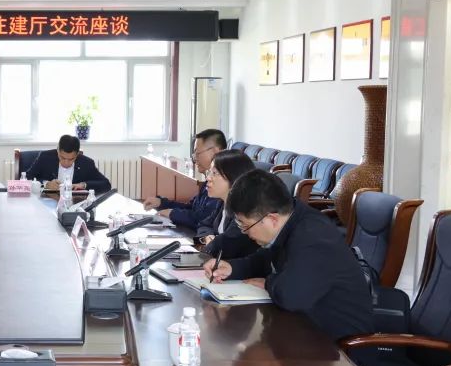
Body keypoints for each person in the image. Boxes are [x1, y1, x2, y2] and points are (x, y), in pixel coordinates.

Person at [203, 170, 374, 341]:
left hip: (338, 344)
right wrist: (232, 268)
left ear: (272, 219)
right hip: (303, 329)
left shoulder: (313, 236)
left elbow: (291, 296)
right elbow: (265, 259)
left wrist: (268, 282)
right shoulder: (291, 219)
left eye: (245, 226)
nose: (245, 232)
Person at [142, 128, 226, 229]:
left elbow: (203, 219)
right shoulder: (208, 181)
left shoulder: (223, 185)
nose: (194, 159)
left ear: (216, 152)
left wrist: (173, 213)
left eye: (198, 154)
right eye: (194, 154)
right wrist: (161, 203)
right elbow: (192, 208)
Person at [195, 149, 259, 259]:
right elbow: (203, 225)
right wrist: (205, 238)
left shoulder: (244, 212)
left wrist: (211, 243)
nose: (208, 178)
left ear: (234, 177)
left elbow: (223, 246)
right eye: (209, 172)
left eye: (214, 173)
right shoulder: (222, 202)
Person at [26, 134, 111, 194]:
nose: (66, 162)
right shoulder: (45, 157)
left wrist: (83, 185)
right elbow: (26, 178)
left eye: (71, 159)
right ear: (58, 151)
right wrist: (46, 184)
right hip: (47, 202)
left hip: (74, 205)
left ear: (77, 154)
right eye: (62, 158)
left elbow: (106, 184)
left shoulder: (86, 163)